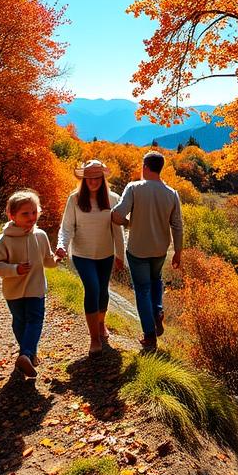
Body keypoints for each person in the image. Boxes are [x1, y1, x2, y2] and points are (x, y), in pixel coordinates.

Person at [111, 150, 183, 351]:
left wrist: (127, 223)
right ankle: (158, 310)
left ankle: (150, 336)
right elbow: (177, 225)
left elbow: (118, 214)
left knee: (142, 290)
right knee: (156, 279)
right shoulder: (172, 193)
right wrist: (178, 251)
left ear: (144, 167)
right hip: (160, 249)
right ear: (160, 168)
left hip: (137, 249)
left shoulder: (134, 188)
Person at [55, 160, 126, 356]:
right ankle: (94, 337)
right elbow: (67, 227)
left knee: (103, 291)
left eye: (97, 177)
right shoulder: (75, 199)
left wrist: (120, 256)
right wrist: (61, 245)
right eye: (89, 178)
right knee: (92, 288)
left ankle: (101, 324)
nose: (93, 182)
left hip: (106, 254)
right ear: (84, 180)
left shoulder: (113, 199)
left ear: (102, 179)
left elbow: (118, 232)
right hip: (82, 255)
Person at [0, 190, 58, 378]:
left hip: (36, 289)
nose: (31, 217)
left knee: (35, 320)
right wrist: (15, 269)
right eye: (25, 214)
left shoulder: (41, 235)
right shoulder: (4, 239)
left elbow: (47, 261)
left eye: (34, 212)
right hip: (14, 291)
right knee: (19, 321)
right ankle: (27, 354)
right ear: (12, 215)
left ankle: (26, 354)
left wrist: (57, 258)